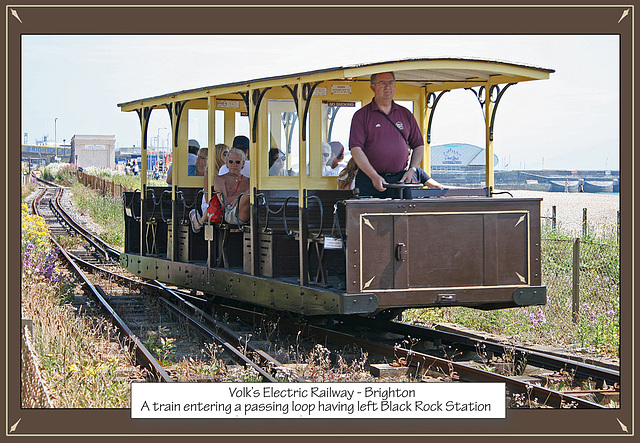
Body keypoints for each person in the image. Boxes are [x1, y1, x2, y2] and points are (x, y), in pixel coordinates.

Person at [348, 71, 424, 197]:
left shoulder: (405, 114)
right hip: (369, 180)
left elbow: (419, 145)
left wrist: (412, 170)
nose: (387, 87)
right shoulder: (361, 116)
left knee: (403, 216)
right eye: (383, 83)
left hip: (400, 181)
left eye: (391, 83)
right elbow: (356, 149)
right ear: (373, 87)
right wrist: (374, 176)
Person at [189, 148, 249, 231]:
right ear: (227, 163)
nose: (234, 164)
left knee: (252, 194)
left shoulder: (248, 180)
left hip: (248, 213)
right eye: (231, 162)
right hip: (229, 213)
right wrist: (240, 198)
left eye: (237, 162)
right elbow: (224, 201)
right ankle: (199, 221)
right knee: (249, 194)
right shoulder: (220, 179)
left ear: (243, 164)